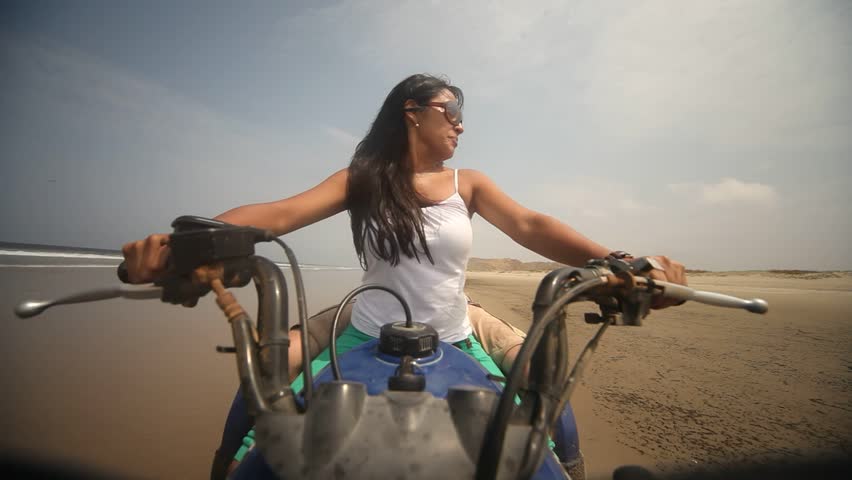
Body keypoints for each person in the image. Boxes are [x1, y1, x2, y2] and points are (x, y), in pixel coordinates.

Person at [121, 73, 687, 473]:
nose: (461, 127)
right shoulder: (362, 177)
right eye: (452, 113)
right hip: (361, 321)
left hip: (462, 323)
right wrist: (185, 246)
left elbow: (531, 225)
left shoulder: (470, 183)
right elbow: (279, 214)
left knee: (552, 404)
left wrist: (617, 263)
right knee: (256, 385)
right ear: (412, 113)